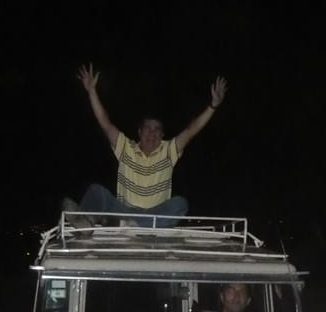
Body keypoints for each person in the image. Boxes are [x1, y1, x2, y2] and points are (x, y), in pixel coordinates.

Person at [62, 63, 228, 228]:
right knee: (96, 191)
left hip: (156, 215)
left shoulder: (169, 151)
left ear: (163, 135)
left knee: (180, 203)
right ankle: (85, 222)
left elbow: (192, 130)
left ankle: (130, 224)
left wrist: (212, 106)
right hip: (124, 211)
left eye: (157, 129)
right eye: (148, 128)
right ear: (139, 132)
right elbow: (106, 124)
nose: (152, 133)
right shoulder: (125, 147)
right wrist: (91, 91)